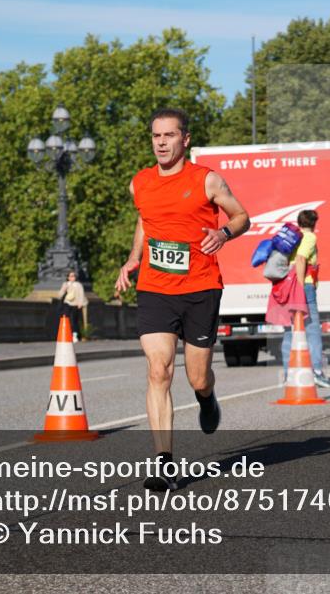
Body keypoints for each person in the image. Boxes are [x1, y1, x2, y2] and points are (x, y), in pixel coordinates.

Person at [114, 107, 250, 492]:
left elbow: (242, 217)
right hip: (156, 289)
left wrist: (223, 235)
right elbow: (145, 220)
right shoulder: (139, 182)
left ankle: (207, 397)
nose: (161, 142)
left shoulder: (206, 180)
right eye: (156, 136)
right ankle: (163, 463)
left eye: (169, 136)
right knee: (159, 370)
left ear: (184, 139)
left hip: (200, 289)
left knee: (196, 376)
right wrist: (134, 258)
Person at [281, 210, 330, 387]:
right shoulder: (309, 237)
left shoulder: (291, 237)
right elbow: (301, 259)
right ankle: (317, 371)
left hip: (288, 284)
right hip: (305, 286)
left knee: (290, 330)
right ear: (314, 223)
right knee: (312, 329)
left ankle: (288, 374)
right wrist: (300, 288)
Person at [58, 270, 87, 342]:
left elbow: (81, 294)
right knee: (66, 317)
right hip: (68, 302)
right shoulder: (66, 284)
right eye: (70, 276)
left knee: (75, 320)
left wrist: (80, 303)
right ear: (68, 277)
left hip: (76, 304)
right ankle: (66, 332)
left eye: (73, 276)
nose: (72, 278)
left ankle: (75, 334)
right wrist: (64, 289)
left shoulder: (78, 285)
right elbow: (60, 293)